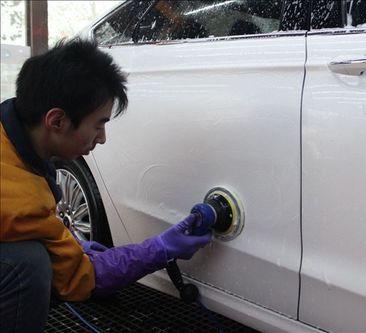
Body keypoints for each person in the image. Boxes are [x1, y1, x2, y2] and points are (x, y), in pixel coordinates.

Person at [0, 38, 212, 333]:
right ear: (57, 120)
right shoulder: (17, 197)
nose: (102, 138)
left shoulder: (12, 141)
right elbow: (81, 279)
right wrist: (159, 249)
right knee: (29, 266)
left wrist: (67, 242)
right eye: (99, 124)